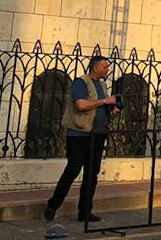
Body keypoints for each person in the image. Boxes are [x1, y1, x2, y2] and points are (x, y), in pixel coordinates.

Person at [45, 55, 118, 223]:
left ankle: (85, 211)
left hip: (97, 134)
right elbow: (81, 105)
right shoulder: (81, 83)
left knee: (92, 174)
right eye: (105, 67)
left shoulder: (102, 84)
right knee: (73, 170)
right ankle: (53, 205)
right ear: (95, 68)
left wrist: (109, 108)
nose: (108, 70)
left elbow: (99, 106)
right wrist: (103, 101)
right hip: (79, 134)